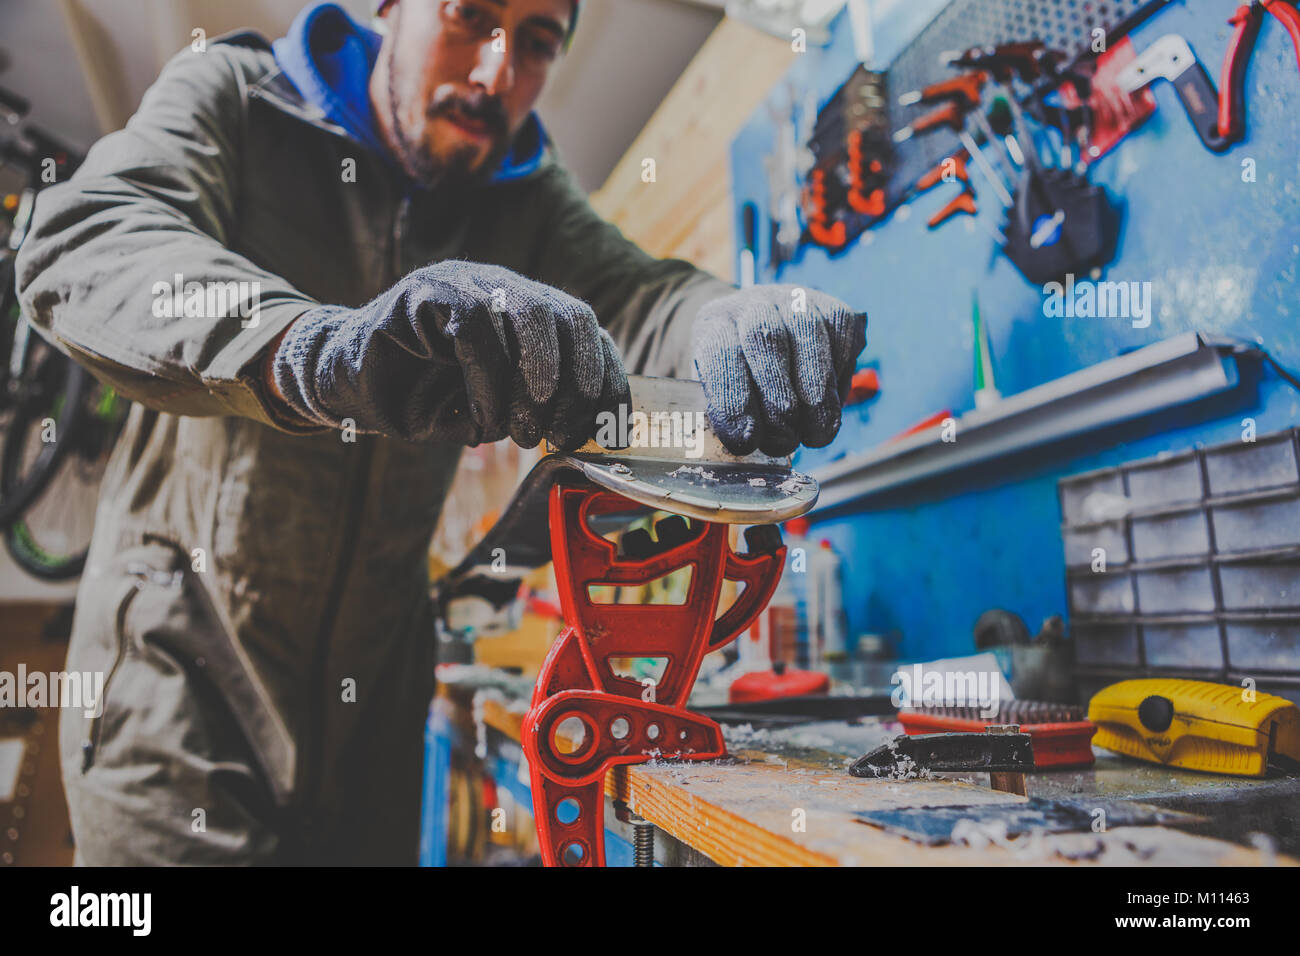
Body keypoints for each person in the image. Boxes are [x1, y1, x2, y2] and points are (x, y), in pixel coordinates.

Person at [15, 0, 866, 864]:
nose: (497, 72)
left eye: (537, 42)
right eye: (471, 15)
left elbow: (645, 300)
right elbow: (87, 237)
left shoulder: (526, 196)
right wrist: (314, 348)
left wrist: (728, 316)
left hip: (376, 708)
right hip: (178, 693)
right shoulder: (237, 96)